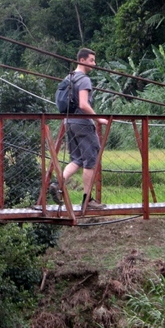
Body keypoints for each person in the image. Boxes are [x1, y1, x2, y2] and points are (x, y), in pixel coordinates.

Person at [54, 48, 108, 210]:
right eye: (91, 60)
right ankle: (87, 200)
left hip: (68, 122)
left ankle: (57, 183)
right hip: (83, 124)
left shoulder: (68, 77)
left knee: (77, 158)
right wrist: (98, 119)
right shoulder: (84, 79)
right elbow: (84, 104)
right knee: (91, 160)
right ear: (82, 60)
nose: (94, 63)